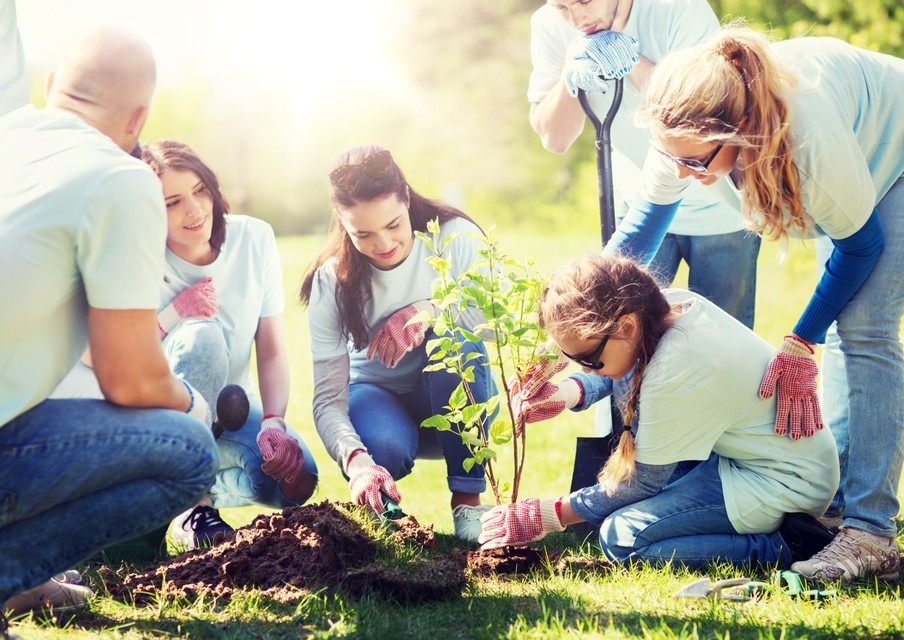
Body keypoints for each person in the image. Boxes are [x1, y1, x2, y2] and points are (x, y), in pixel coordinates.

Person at [594, 23, 904, 581]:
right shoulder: (683, 130)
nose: (683, 173)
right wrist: (579, 310)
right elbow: (640, 231)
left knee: (863, 327)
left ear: (741, 132)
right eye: (673, 158)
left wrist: (800, 340)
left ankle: (870, 532)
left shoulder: (808, 139)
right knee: (847, 320)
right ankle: (833, 503)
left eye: (697, 163)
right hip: (852, 149)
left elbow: (861, 246)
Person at [0, 6, 219, 635]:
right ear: (138, 120)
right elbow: (129, 378)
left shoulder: (11, 137)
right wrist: (193, 404)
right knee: (188, 452)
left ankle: (20, 581)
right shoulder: (119, 180)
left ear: (50, 87)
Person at [479, 254, 839, 571]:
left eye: (587, 359)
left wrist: (548, 515)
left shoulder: (676, 368)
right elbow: (620, 366)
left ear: (627, 327)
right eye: (574, 359)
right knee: (628, 513)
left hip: (783, 481)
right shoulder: (668, 307)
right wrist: (565, 388)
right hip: (762, 459)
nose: (585, 368)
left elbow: (643, 481)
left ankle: (784, 545)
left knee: (622, 537)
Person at [51, 140, 320, 550]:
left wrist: (274, 423)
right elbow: (92, 353)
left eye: (200, 190)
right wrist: (174, 314)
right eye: (172, 202)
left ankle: (170, 501)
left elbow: (271, 349)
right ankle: (196, 504)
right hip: (156, 419)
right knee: (203, 336)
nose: (194, 210)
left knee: (295, 479)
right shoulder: (134, 256)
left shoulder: (254, 238)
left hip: (224, 417)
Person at [299, 145, 497, 542]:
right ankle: (384, 515)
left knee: (455, 340)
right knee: (381, 446)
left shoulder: (454, 237)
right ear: (342, 221)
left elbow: (498, 325)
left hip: (457, 401)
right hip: (378, 401)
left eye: (393, 224)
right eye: (363, 234)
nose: (384, 244)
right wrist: (356, 462)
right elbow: (328, 400)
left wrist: (429, 310)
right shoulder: (331, 280)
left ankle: (468, 508)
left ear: (406, 197)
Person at [528, 0, 760, 327]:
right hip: (640, 200)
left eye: (584, 1)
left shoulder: (679, 9)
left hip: (717, 204)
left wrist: (630, 58)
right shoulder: (550, 25)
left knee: (722, 335)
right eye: (563, 7)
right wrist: (570, 73)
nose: (576, 18)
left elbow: (701, 113)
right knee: (629, 333)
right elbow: (555, 138)